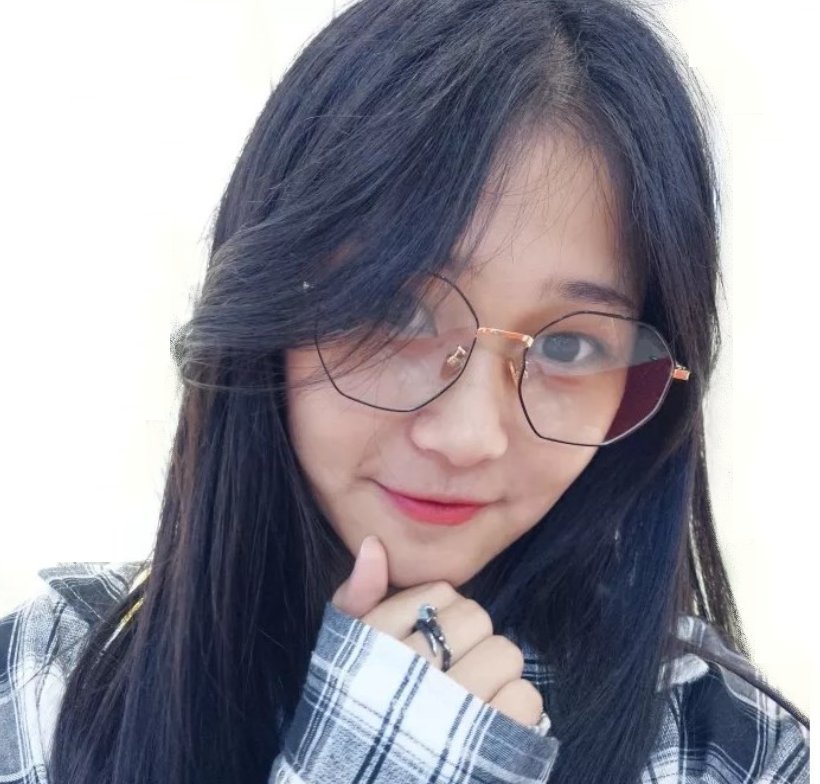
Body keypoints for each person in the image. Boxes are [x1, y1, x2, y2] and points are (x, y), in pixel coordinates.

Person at [0, 0, 810, 782]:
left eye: (567, 345)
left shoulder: (722, 747)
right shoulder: (49, 682)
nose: (467, 436)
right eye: (393, 309)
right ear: (267, 300)